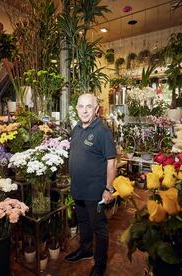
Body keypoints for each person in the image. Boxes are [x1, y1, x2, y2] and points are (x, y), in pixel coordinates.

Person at [65, 93, 117, 276]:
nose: (84, 110)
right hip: (78, 189)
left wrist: (108, 189)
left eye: (89, 106)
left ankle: (100, 264)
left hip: (95, 192)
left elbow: (112, 162)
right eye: (81, 106)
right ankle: (85, 250)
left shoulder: (103, 132)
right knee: (83, 223)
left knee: (99, 228)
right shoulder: (76, 128)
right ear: (77, 108)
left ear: (96, 109)